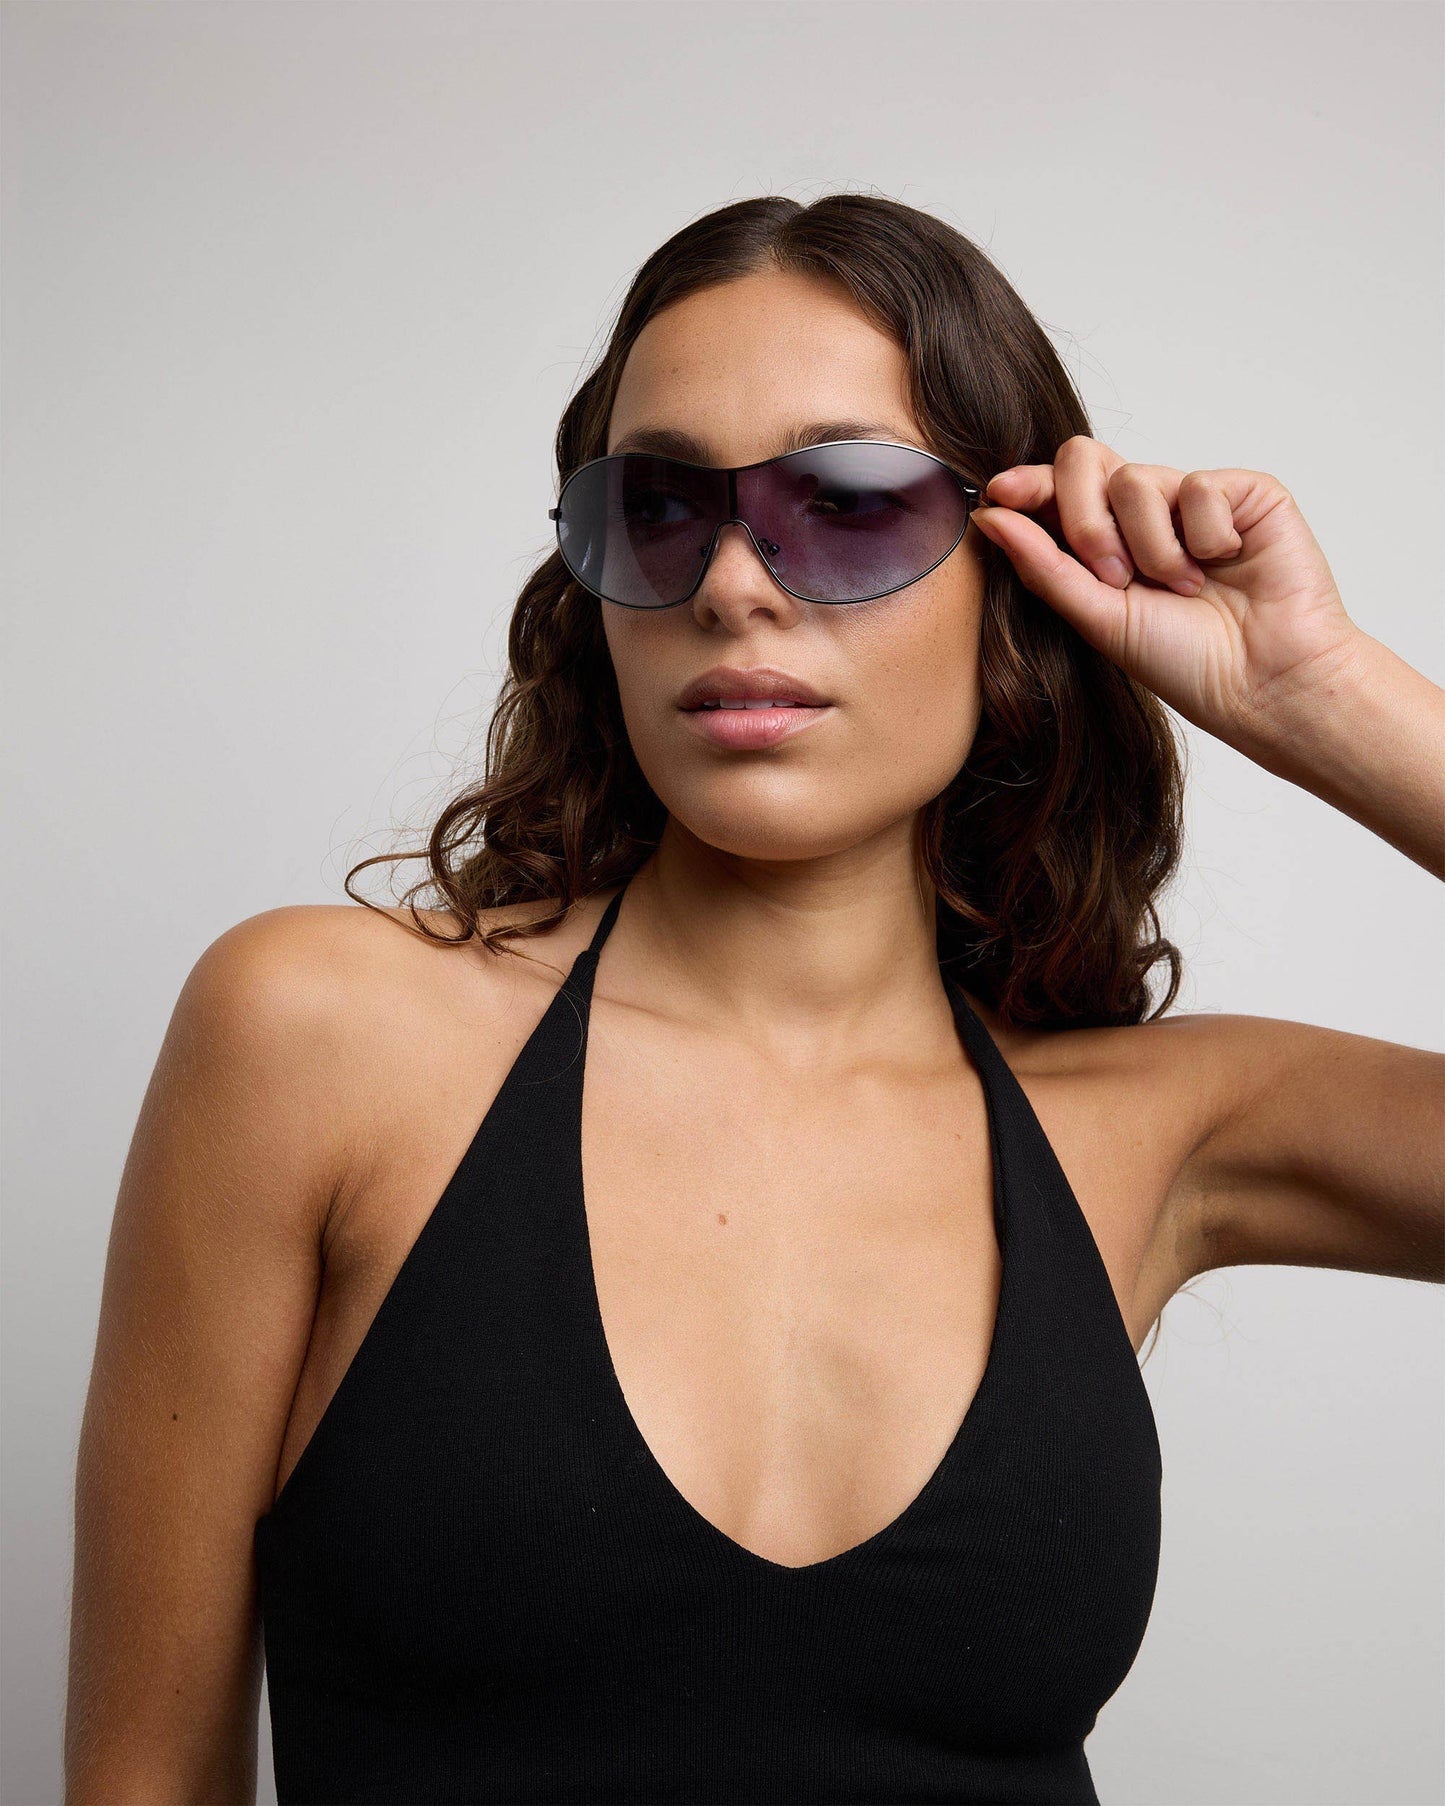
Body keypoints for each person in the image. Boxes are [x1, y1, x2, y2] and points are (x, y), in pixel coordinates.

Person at [65, 194, 1444, 1805]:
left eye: (843, 503)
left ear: (1022, 584)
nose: (730, 583)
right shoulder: (318, 1033)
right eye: (658, 508)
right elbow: (140, 1780)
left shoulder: (1154, 1132)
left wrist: (1322, 695)